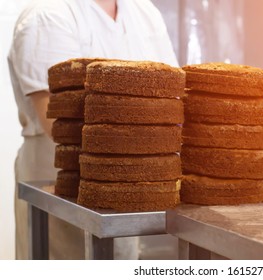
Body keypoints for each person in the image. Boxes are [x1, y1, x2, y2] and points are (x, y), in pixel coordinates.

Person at [8, 0, 179, 260]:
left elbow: (171, 95)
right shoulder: (49, 14)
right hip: (60, 184)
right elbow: (59, 123)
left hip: (125, 194)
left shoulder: (144, 12)